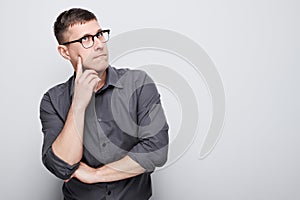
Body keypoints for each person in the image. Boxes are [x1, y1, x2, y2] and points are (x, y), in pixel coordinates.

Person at [39, 8, 169, 200]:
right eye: (86, 39)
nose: (99, 45)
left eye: (99, 35)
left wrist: (95, 175)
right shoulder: (52, 100)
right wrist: (78, 105)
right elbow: (62, 166)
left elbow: (157, 151)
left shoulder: (138, 83)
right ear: (65, 52)